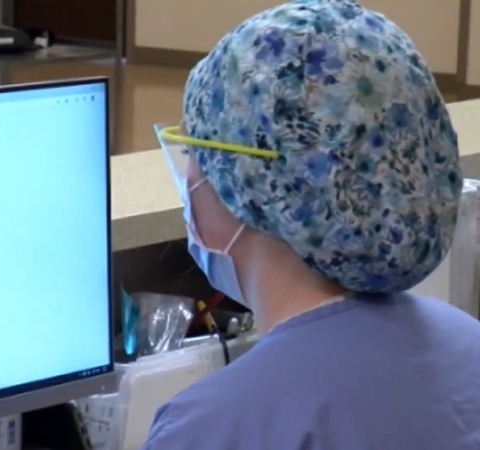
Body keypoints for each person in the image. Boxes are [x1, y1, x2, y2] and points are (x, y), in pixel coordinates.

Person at [145, 0, 480, 448]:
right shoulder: (468, 346)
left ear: (248, 187)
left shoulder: (213, 427)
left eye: (192, 152)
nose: (187, 180)